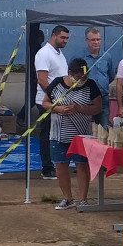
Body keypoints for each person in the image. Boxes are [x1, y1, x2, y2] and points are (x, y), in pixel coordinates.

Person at [42, 58, 103, 210]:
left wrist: (80, 108)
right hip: (59, 134)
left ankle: (83, 199)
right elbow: (45, 103)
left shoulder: (91, 86)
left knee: (82, 165)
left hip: (82, 135)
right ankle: (67, 198)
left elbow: (97, 108)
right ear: (70, 74)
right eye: (78, 78)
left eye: (84, 77)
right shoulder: (57, 84)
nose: (82, 80)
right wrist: (58, 109)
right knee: (60, 166)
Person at [34, 25, 70, 179]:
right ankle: (47, 168)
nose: (65, 41)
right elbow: (42, 80)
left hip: (59, 101)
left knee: (57, 135)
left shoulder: (60, 54)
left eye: (67, 38)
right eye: (62, 37)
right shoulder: (44, 54)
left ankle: (58, 164)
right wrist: (54, 97)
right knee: (47, 135)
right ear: (54, 35)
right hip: (46, 102)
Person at [83, 28, 115, 127]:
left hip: (103, 98)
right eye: (93, 40)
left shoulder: (107, 56)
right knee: (86, 128)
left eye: (98, 39)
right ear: (87, 40)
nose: (96, 42)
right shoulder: (80, 57)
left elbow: (111, 75)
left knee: (103, 127)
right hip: (86, 98)